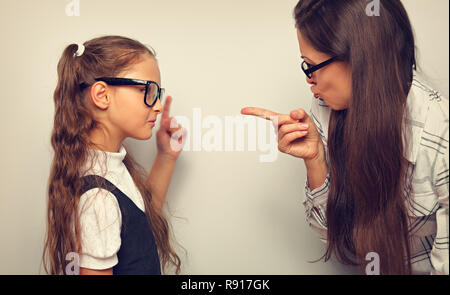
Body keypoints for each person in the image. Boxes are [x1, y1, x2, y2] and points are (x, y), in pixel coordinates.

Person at [242, 0, 448, 275]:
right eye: (305, 65)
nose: (309, 79)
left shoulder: (440, 134)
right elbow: (334, 238)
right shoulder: (328, 108)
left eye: (311, 65)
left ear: (362, 59)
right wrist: (315, 160)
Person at [42, 35, 187, 275]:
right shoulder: (97, 198)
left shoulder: (109, 165)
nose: (158, 105)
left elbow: (140, 224)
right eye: (148, 90)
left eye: (157, 93)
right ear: (102, 95)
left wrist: (166, 156)